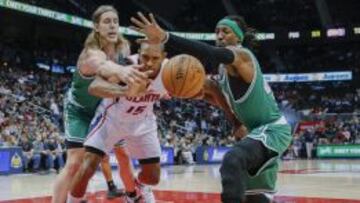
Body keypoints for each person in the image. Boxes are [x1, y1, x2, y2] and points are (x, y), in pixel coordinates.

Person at [131, 13, 292, 203]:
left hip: (273, 130)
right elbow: (214, 92)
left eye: (226, 31)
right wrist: (234, 122)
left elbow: (210, 53)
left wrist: (166, 37)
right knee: (256, 198)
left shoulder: (242, 56)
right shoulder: (224, 70)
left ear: (238, 37)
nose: (220, 35)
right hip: (255, 133)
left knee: (233, 160)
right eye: (217, 32)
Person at [51, 5, 150, 203]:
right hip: (79, 111)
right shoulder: (90, 54)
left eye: (115, 21)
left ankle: (132, 195)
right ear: (96, 27)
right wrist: (124, 73)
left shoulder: (124, 48)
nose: (112, 26)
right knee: (74, 163)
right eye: (106, 22)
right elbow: (103, 65)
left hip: (104, 110)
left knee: (123, 154)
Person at [67, 42, 168, 203]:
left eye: (155, 58)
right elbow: (94, 87)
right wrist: (126, 91)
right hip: (112, 120)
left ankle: (139, 186)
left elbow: (194, 88)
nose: (148, 62)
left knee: (153, 178)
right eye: (145, 57)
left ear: (164, 57)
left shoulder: (171, 72)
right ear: (139, 54)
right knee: (87, 167)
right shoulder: (128, 66)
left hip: (143, 122)